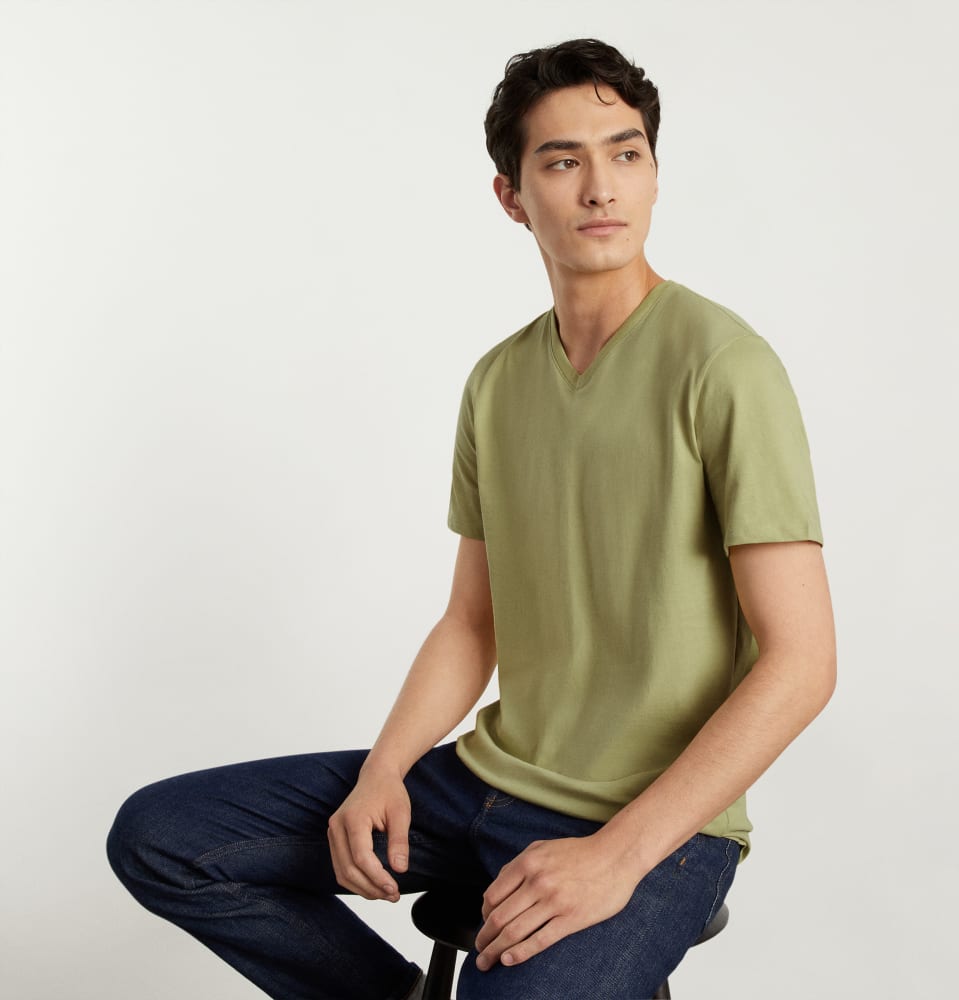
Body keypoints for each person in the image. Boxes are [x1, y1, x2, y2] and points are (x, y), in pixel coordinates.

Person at [107, 38, 836, 1000]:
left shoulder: (726, 367)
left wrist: (616, 856)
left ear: (655, 174)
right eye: (563, 162)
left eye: (626, 154)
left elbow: (802, 663)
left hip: (657, 825)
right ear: (511, 196)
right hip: (482, 786)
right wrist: (386, 767)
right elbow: (471, 622)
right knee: (165, 839)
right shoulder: (498, 383)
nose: (601, 188)